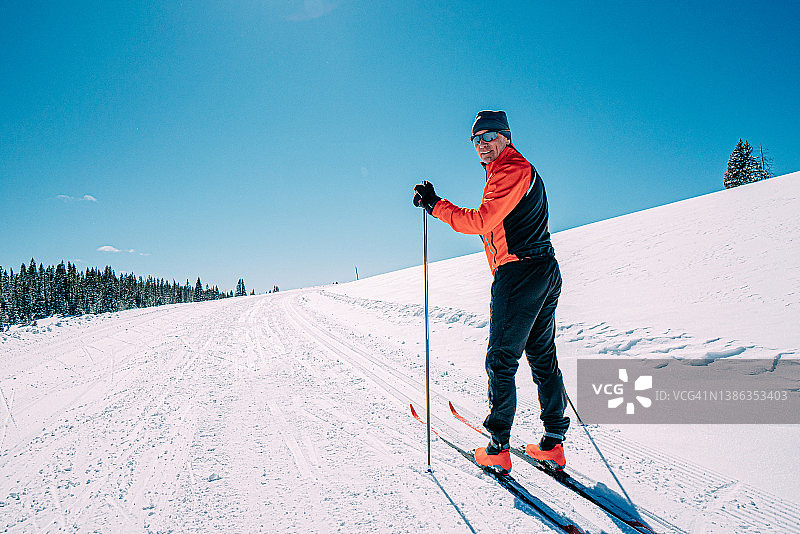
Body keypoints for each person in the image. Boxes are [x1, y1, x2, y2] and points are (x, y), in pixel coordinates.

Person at [413, 110, 569, 474]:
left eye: (488, 136)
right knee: (541, 356)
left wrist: (436, 205)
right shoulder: (509, 170)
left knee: (501, 359)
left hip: (521, 273)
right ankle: (553, 444)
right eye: (475, 139)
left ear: (506, 137)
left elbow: (481, 221)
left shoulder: (510, 169)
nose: (481, 144)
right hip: (540, 269)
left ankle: (498, 447)